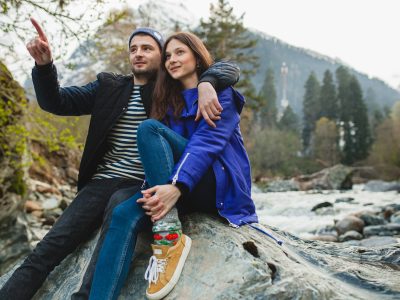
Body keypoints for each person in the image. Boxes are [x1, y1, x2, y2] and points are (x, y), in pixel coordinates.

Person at [0, 18, 240, 300]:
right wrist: (44, 67)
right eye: (134, 48)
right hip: (102, 181)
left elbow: (226, 67)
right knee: (48, 249)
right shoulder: (109, 86)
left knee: (119, 213)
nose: (138, 53)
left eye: (148, 48)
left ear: (160, 58)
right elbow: (56, 102)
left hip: (140, 183)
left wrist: (208, 82)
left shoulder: (169, 90)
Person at [89, 32, 258, 300]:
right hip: (178, 185)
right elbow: (161, 158)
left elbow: (205, 144)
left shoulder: (221, 95)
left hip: (215, 185)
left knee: (149, 129)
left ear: (197, 56)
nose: (171, 60)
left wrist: (175, 186)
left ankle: (168, 237)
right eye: (167, 56)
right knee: (123, 214)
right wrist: (157, 190)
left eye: (180, 53)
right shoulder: (169, 102)